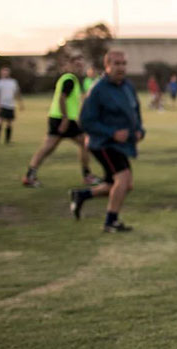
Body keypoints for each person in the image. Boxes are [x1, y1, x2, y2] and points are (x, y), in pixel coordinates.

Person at [70, 50, 145, 233]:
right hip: (103, 143)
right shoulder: (98, 89)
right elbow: (85, 121)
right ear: (107, 66)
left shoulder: (128, 87)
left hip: (122, 144)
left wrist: (139, 130)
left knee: (124, 185)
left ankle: (82, 195)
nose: (121, 67)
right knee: (123, 178)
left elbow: (135, 111)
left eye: (123, 63)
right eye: (116, 64)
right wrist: (111, 133)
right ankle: (111, 222)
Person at [22, 54, 99, 188]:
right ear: (69, 65)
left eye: (81, 65)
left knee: (48, 147)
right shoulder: (69, 79)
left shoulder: (71, 79)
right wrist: (65, 118)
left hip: (59, 118)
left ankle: (30, 175)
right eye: (76, 64)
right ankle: (87, 176)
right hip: (63, 119)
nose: (79, 67)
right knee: (85, 143)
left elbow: (71, 99)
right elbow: (62, 98)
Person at [0, 67, 23, 146]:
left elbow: (17, 93)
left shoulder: (13, 82)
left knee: (9, 123)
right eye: (4, 72)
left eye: (7, 72)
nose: (5, 73)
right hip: (2, 105)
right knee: (0, 121)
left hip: (11, 105)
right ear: (1, 73)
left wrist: (20, 104)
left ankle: (8, 140)